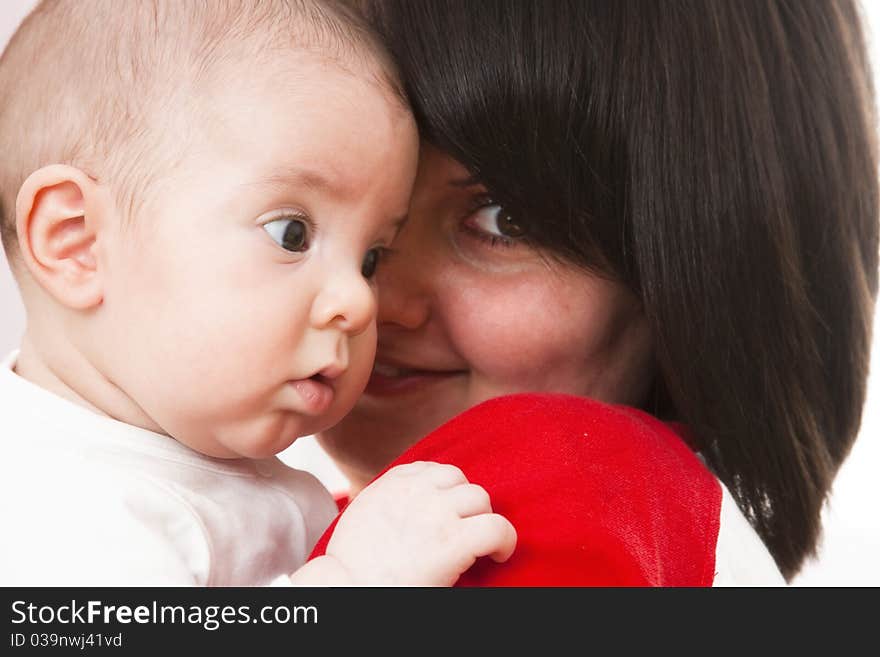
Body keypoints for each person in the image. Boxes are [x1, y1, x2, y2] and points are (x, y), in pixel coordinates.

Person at [312, 0, 879, 584]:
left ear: (692, 262)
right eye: (311, 218)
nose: (372, 299)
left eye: (505, 221)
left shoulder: (563, 508)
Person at [0, 0, 515, 586]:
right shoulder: (53, 505)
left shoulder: (219, 476)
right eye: (291, 234)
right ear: (78, 243)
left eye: (371, 257)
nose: (360, 301)